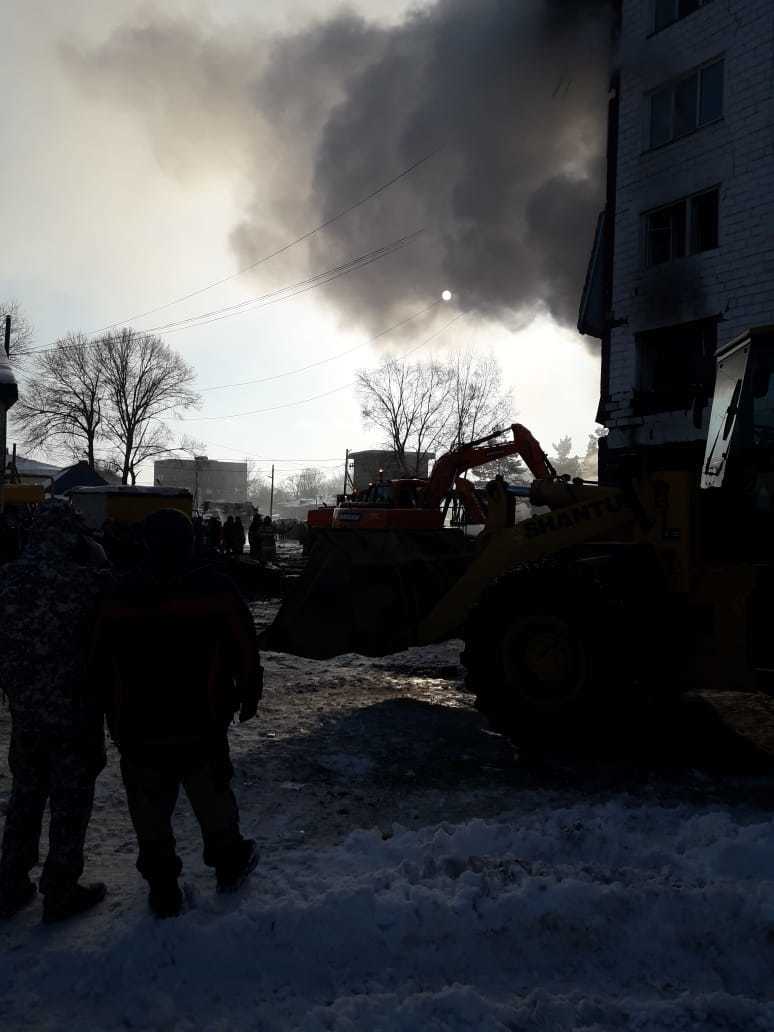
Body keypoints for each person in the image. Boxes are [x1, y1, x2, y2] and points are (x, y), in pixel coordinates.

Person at [91, 508, 262, 918]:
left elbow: (97, 660)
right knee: (212, 798)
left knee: (149, 810)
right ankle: (228, 864)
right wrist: (249, 693)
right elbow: (245, 646)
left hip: (139, 728)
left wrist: (108, 716)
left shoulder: (118, 592)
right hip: (200, 726)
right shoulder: (214, 589)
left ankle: (163, 886)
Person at [0, 500, 109, 922]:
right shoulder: (87, 582)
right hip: (75, 716)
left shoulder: (6, 580)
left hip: (26, 715)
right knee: (70, 803)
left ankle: (10, 882)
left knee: (25, 797)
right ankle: (60, 890)